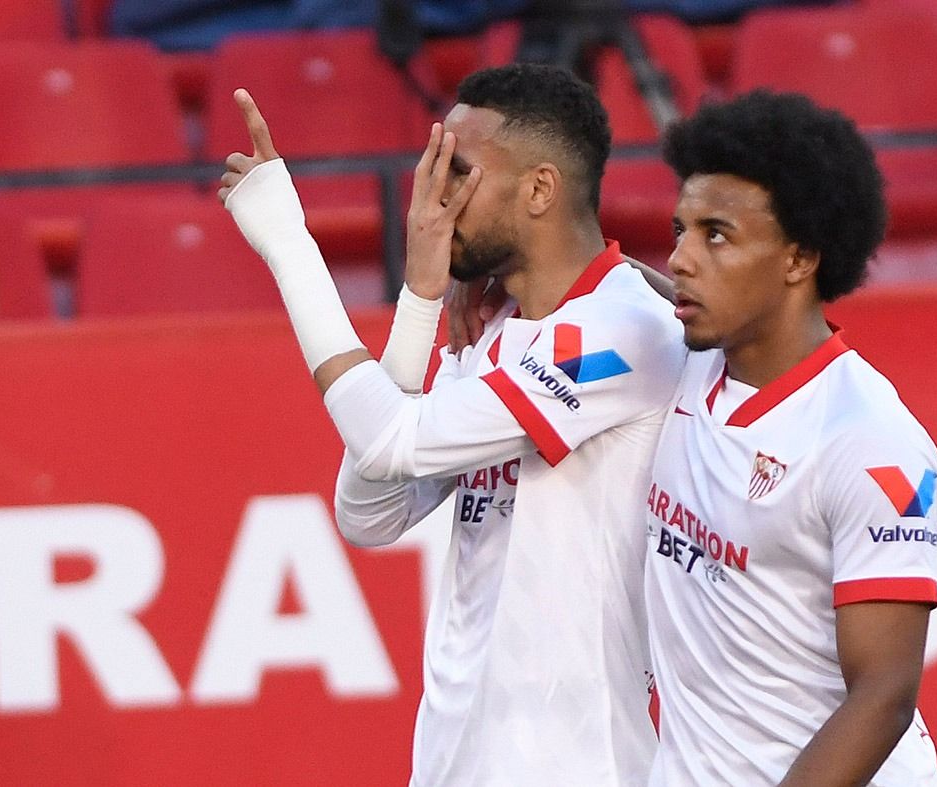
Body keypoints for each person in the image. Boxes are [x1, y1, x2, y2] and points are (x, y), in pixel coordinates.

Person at [219, 64, 685, 785]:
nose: (433, 200)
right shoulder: (496, 330)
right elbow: (369, 509)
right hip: (455, 760)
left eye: (457, 171)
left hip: (580, 763)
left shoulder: (619, 332)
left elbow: (387, 438)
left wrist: (290, 246)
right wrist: (421, 301)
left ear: (538, 189)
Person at [638, 90, 937, 786]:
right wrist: (477, 283)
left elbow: (884, 694)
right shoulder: (682, 360)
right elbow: (595, 276)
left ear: (799, 258)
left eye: (716, 234)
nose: (682, 257)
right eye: (680, 228)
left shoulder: (870, 441)